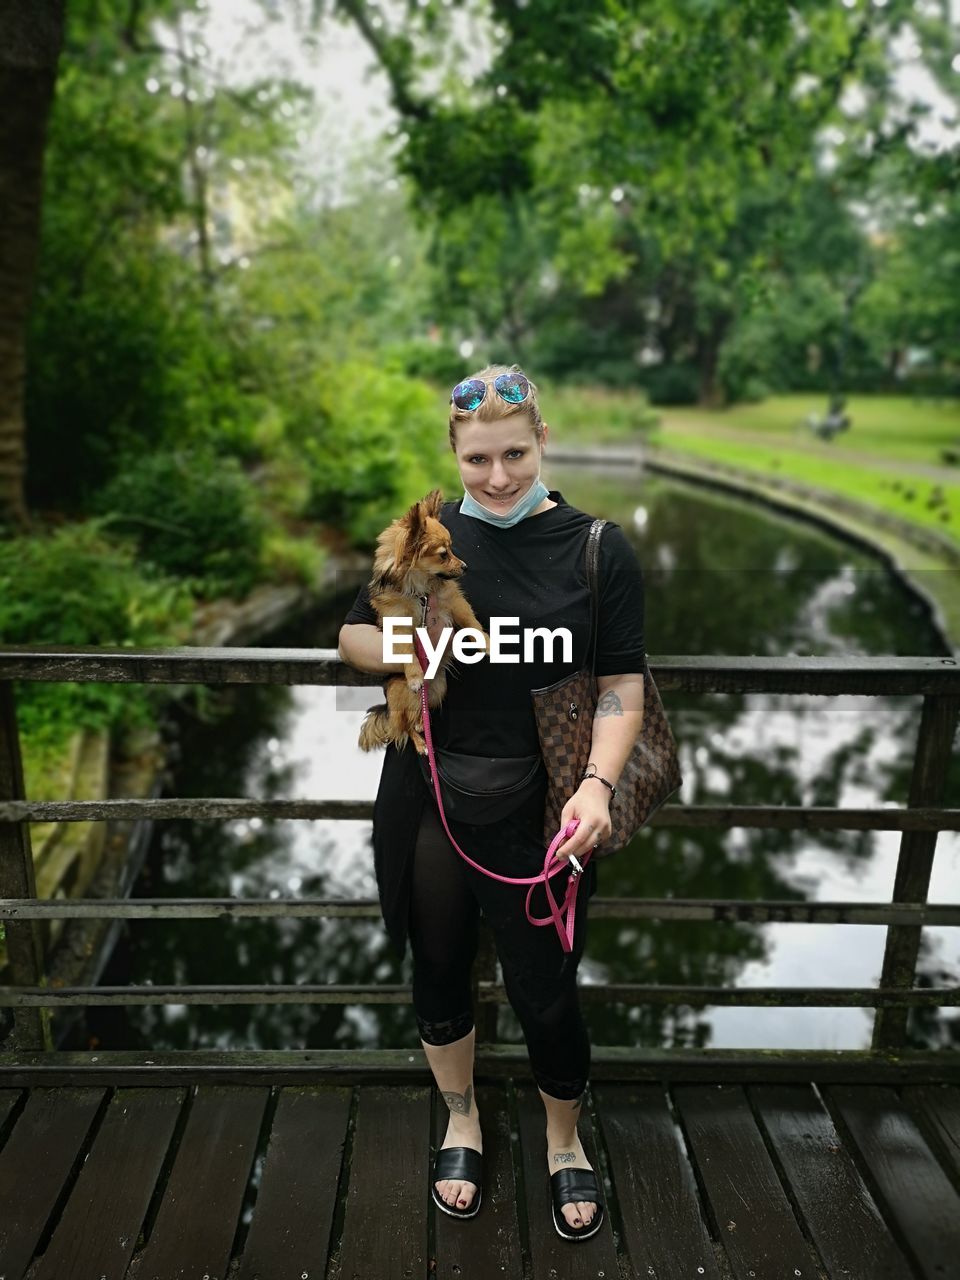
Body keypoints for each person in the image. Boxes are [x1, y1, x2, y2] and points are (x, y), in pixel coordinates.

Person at [338, 364, 647, 1241]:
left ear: (543, 441)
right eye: (478, 460)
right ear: (455, 454)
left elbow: (623, 683)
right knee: (437, 967)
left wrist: (598, 784)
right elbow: (349, 634)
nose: (499, 476)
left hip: (544, 808)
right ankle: (462, 1119)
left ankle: (563, 1143)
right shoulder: (424, 540)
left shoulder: (596, 548)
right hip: (430, 794)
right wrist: (413, 639)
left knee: (546, 991)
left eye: (515, 452)